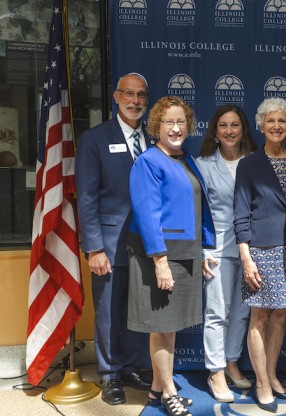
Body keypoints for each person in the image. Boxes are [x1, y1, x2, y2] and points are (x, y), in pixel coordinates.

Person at [126, 96, 215, 416]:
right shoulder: (148, 161)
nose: (176, 128)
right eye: (168, 122)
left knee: (171, 327)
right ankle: (169, 393)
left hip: (185, 254)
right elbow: (147, 214)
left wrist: (201, 251)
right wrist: (160, 262)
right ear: (156, 127)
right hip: (160, 258)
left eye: (181, 122)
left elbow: (193, 210)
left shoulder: (185, 159)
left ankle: (156, 388)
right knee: (161, 327)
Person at [76, 72, 152, 405]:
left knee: (138, 310)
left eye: (141, 96)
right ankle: (109, 375)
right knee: (108, 311)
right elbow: (87, 196)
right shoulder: (95, 139)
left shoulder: (154, 138)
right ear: (116, 97)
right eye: (129, 94)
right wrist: (93, 247)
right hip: (108, 244)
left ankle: (132, 365)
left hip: (146, 245)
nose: (135, 101)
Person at [234, 97, 286, 413]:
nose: (276, 126)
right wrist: (246, 258)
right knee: (259, 316)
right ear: (261, 125)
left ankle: (272, 376)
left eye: (282, 121)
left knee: (282, 315)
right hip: (260, 251)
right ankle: (261, 382)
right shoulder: (249, 164)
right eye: (270, 121)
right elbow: (241, 214)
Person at [195, 105, 256, 402]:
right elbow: (195, 212)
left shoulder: (256, 162)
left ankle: (232, 362)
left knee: (242, 313)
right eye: (223, 126)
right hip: (216, 247)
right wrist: (200, 251)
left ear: (243, 129)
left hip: (250, 249)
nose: (230, 131)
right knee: (217, 312)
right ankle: (215, 370)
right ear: (215, 132)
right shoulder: (202, 164)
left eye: (235, 125)